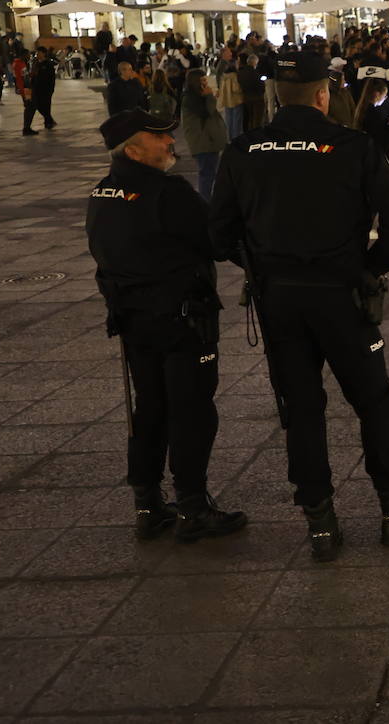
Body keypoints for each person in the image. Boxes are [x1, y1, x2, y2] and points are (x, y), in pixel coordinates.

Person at [208, 51, 389, 563]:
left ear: (275, 95)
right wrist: (369, 267)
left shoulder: (243, 150)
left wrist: (260, 265)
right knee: (374, 400)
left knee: (301, 408)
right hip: (341, 294)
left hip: (279, 298)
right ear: (322, 93)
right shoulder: (351, 146)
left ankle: (321, 525)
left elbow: (218, 233)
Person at [86, 109, 246, 542]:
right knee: (192, 410)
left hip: (135, 324)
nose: (169, 141)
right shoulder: (168, 193)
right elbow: (215, 239)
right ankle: (192, 505)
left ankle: (147, 503)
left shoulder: (103, 192)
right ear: (133, 150)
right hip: (182, 323)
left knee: (150, 408)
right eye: (158, 137)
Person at [181, 69, 228, 201]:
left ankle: (208, 199)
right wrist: (209, 96)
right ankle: (205, 201)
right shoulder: (190, 98)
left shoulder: (196, 96)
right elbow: (207, 112)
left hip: (209, 140)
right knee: (207, 174)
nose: (205, 83)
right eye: (202, 80)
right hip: (203, 141)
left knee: (211, 173)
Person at [353, 71, 389, 164]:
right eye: (384, 95)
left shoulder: (363, 107)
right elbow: (380, 135)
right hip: (376, 154)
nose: (385, 98)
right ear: (377, 94)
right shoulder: (372, 112)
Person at [22, 46, 58, 134]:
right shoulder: (36, 63)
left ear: (44, 53)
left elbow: (50, 78)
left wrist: (50, 88)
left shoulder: (48, 64)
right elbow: (33, 75)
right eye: (36, 53)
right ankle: (49, 120)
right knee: (38, 105)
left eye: (39, 53)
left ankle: (48, 122)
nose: (37, 55)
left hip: (46, 88)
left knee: (45, 105)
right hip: (36, 88)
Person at [216, 53, 246, 140]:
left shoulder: (224, 76)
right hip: (236, 101)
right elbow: (236, 89)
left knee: (229, 121)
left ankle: (229, 138)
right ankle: (236, 139)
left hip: (226, 101)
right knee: (236, 121)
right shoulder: (234, 76)